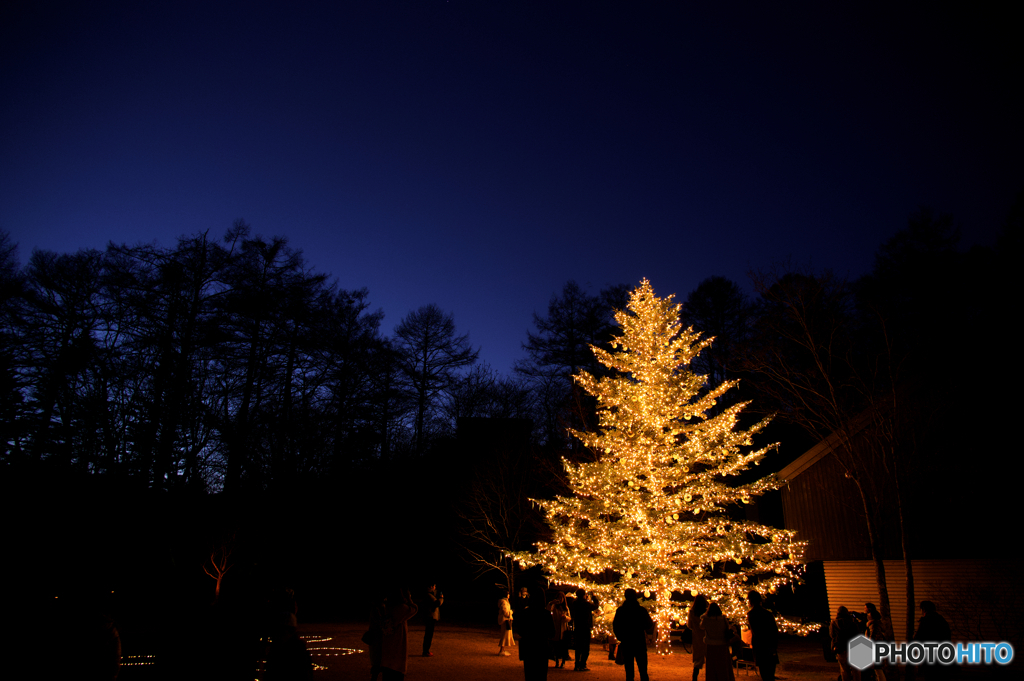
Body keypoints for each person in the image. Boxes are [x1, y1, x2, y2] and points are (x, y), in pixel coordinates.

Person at [613, 589, 654, 681]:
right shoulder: (641, 610)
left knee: (629, 669)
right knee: (643, 669)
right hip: (639, 641)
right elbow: (649, 624)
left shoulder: (621, 611)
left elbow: (616, 626)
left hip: (627, 641)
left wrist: (621, 637)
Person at [381, 586, 418, 681]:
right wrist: (408, 599)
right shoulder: (400, 609)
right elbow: (414, 608)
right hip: (397, 647)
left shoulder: (386, 607)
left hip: (386, 648)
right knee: (396, 674)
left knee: (387, 674)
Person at [519, 584, 556, 681]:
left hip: (529, 647)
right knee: (541, 675)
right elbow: (552, 632)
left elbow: (520, 630)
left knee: (529, 674)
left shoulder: (525, 613)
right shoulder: (546, 614)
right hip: (542, 648)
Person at [746, 591, 779, 681]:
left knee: (764, 673)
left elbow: (756, 631)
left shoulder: (752, 614)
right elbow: (774, 631)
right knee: (770, 673)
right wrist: (774, 645)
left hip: (760, 647)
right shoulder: (768, 614)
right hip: (770, 645)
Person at [914, 601, 951, 680]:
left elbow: (919, 637)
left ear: (924, 609)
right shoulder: (941, 619)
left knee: (929, 675)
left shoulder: (926, 620)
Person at [701, 602, 735, 681]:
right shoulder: (723, 618)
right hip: (722, 645)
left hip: (711, 645)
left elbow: (701, 626)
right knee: (723, 666)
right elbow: (727, 628)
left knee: (712, 667)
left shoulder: (706, 619)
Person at [569, 589, 600, 671]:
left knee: (578, 646)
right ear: (583, 595)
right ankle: (583, 664)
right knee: (585, 647)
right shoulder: (586, 604)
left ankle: (577, 664)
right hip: (585, 627)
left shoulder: (575, 603)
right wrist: (593, 597)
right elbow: (596, 605)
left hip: (578, 627)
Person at [830, 606, 861, 681]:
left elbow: (832, 635)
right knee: (856, 670)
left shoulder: (834, 623)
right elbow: (857, 634)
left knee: (844, 670)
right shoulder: (852, 622)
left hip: (840, 649)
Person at [547, 590, 572, 668]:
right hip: (556, 628)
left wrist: (565, 617)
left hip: (564, 629)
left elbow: (570, 618)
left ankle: (563, 662)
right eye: (559, 598)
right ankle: (557, 661)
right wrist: (551, 603)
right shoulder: (554, 606)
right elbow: (548, 611)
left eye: (562, 598)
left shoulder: (566, 608)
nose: (560, 599)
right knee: (556, 646)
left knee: (563, 646)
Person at [687, 595, 709, 681]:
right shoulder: (706, 613)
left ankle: (694, 678)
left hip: (697, 638)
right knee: (709, 659)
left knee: (697, 661)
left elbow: (689, 625)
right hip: (707, 637)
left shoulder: (692, 612)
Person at [421, 584, 443, 657]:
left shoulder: (429, 594)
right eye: (434, 586)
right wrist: (441, 598)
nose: (435, 588)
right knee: (429, 634)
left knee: (429, 634)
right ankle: (426, 651)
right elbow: (437, 603)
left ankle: (426, 650)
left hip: (429, 616)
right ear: (431, 587)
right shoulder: (429, 595)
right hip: (430, 616)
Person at [499, 589, 515, 656]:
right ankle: (501, 650)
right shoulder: (504, 602)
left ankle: (502, 649)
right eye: (508, 594)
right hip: (505, 620)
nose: (509, 595)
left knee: (505, 635)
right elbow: (505, 612)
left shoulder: (505, 602)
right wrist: (511, 612)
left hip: (506, 620)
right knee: (504, 635)